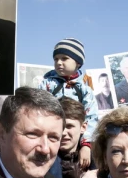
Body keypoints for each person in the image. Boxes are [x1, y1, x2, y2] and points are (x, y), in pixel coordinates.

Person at [39, 38, 98, 169]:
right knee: (53, 169)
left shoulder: (85, 89)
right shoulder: (47, 84)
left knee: (93, 165)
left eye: (64, 58)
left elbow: (92, 117)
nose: (59, 62)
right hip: (51, 138)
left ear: (77, 62)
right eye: (56, 59)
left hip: (77, 140)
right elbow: (39, 110)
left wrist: (86, 145)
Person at [50, 97, 98, 178]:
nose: (63, 132)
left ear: (83, 127)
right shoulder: (45, 161)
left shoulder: (97, 157)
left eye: (69, 126)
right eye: (59, 126)